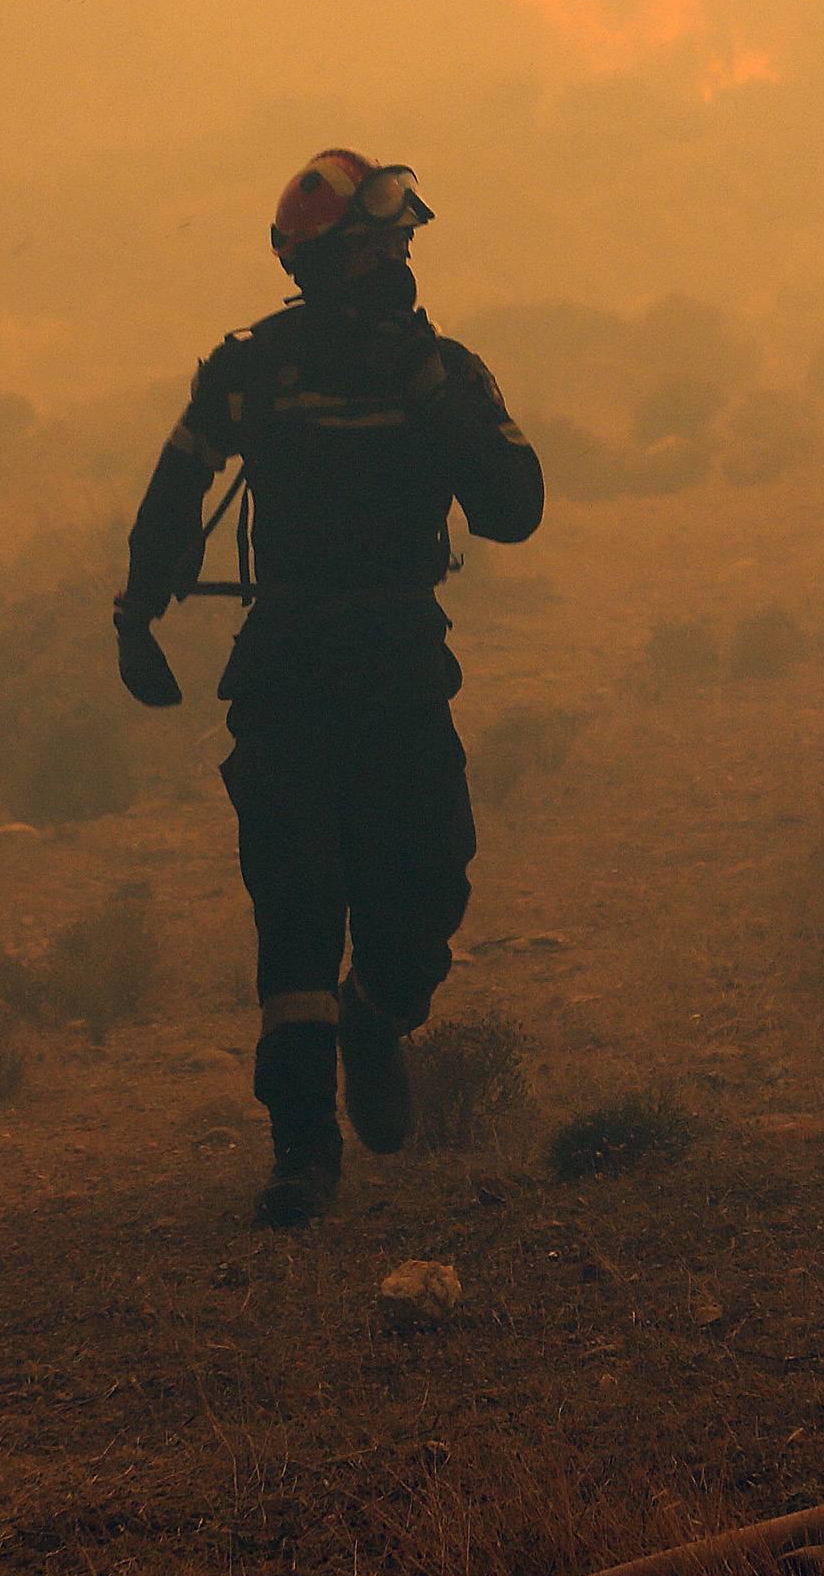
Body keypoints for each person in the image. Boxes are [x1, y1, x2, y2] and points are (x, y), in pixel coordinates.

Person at [111, 150, 543, 1229]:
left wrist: (434, 395)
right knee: (295, 906)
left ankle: (375, 1017)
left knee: (428, 889)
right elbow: (176, 486)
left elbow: (513, 509)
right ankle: (300, 1150)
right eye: (384, 241)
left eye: (400, 242)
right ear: (339, 257)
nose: (400, 257)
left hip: (399, 662)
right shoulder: (251, 368)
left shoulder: (441, 368)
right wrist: (133, 612)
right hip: (292, 669)